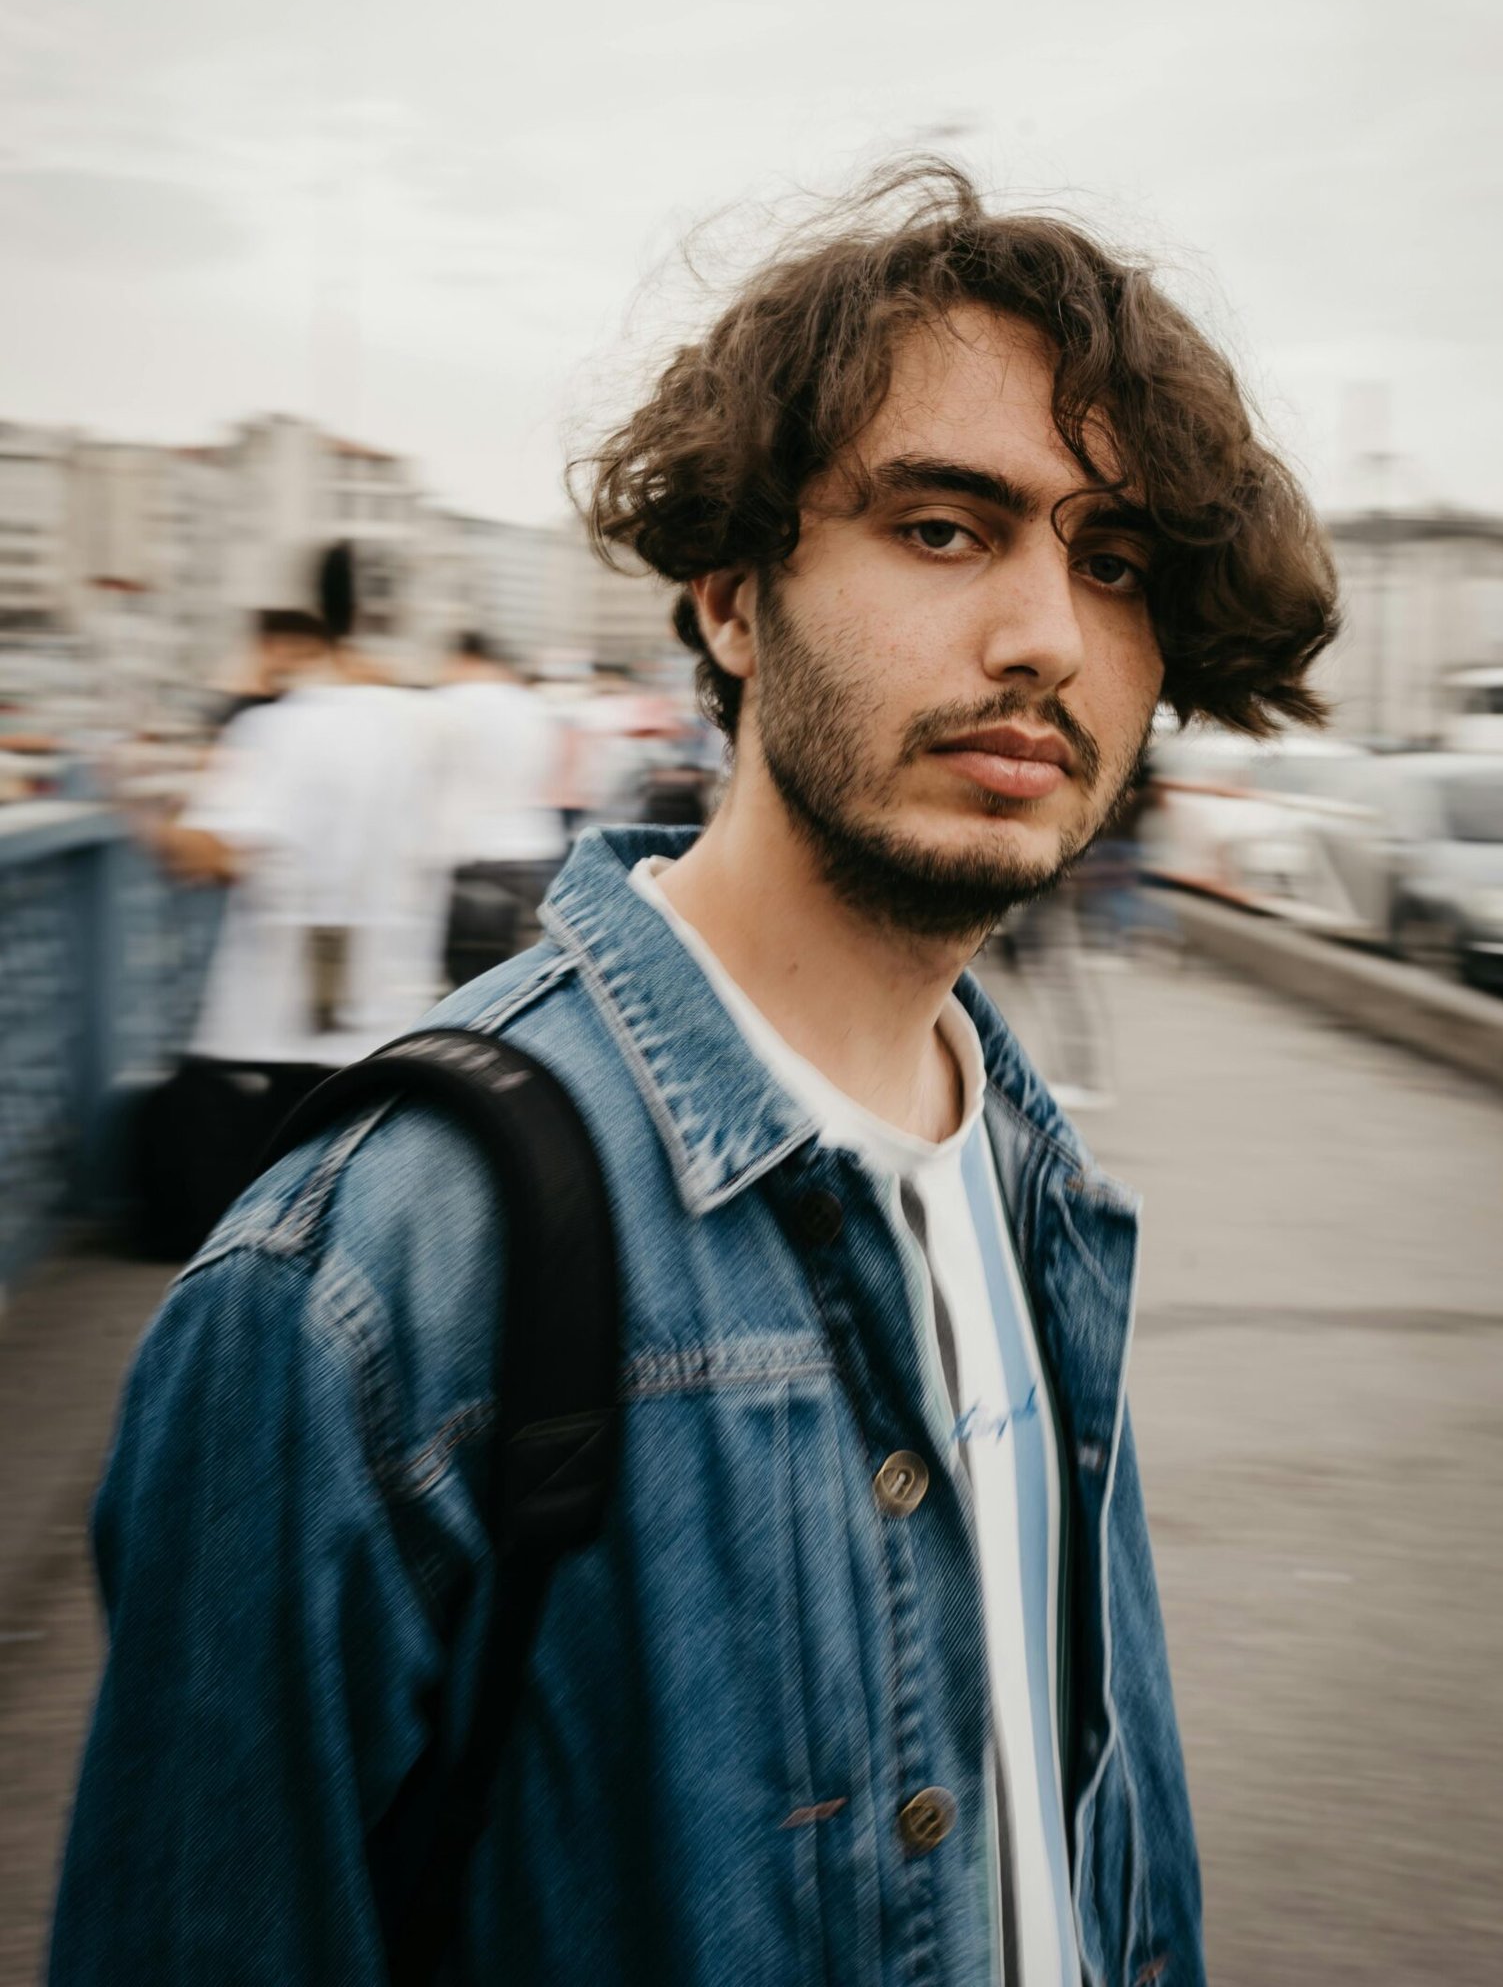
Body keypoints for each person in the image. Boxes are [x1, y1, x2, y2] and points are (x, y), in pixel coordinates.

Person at [52, 163, 1337, 1985]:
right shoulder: (360, 1290)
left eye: (1114, 562)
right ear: (733, 600)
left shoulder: (1040, 1197)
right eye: (949, 529)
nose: (1048, 635)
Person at [132, 544, 454, 1251]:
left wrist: (144, 799)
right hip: (387, 1025)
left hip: (272, 1034)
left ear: (304, 629)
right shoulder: (428, 725)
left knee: (259, 1247)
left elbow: (205, 855)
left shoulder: (284, 728)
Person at [434, 630, 566, 986]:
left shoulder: (445, 704)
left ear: (463, 659)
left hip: (467, 850)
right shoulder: (535, 705)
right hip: (532, 845)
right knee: (510, 978)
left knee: (462, 980)